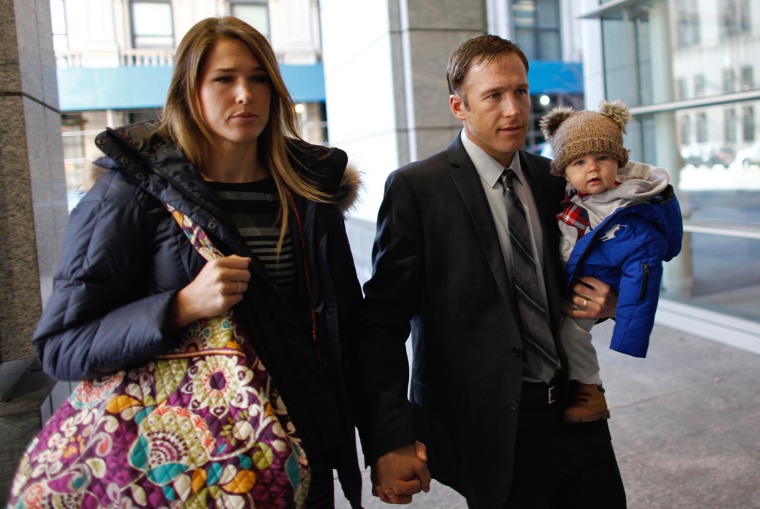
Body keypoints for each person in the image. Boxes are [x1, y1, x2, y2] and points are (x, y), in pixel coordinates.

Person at [29, 16, 363, 508]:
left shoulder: (308, 191)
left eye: (258, 78)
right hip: (188, 466)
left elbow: (348, 326)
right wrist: (180, 305)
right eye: (224, 79)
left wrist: (386, 439)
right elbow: (61, 346)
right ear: (190, 92)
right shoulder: (130, 192)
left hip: (300, 453)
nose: (245, 95)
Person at [355, 34, 628, 508]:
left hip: (572, 408)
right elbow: (381, 324)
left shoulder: (555, 178)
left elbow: (583, 270)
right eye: (494, 96)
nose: (513, 110)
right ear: (458, 106)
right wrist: (390, 436)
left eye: (520, 92)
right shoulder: (418, 188)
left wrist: (609, 302)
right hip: (486, 425)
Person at [540, 100, 683, 423]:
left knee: (571, 334)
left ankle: (590, 389)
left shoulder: (630, 214)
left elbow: (644, 276)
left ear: (618, 161)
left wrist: (629, 327)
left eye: (602, 158)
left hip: (601, 284)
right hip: (573, 276)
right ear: (564, 170)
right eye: (579, 161)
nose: (592, 168)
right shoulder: (575, 197)